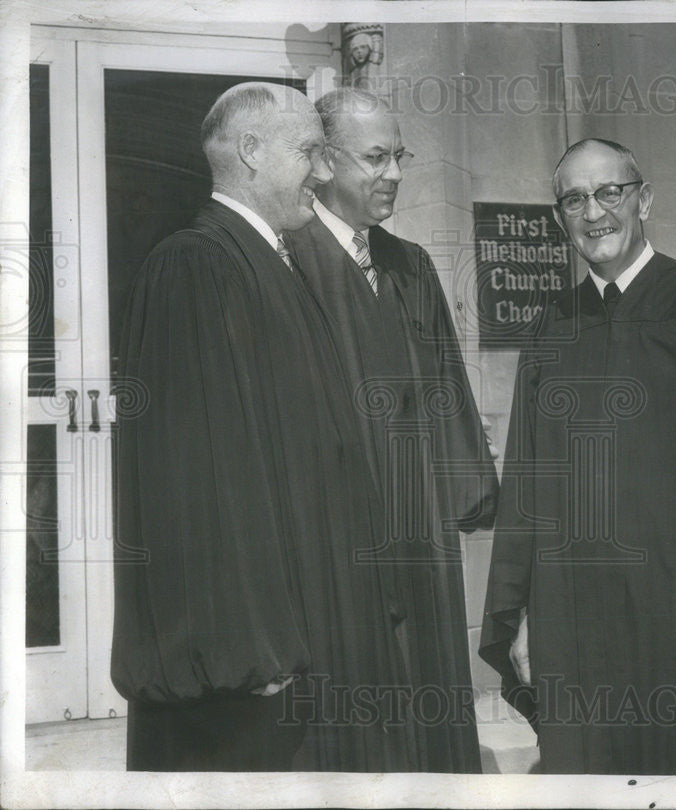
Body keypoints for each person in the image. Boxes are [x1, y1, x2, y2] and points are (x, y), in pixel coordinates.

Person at [111, 82, 411, 771]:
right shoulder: (195, 264)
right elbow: (194, 478)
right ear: (249, 151)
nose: (325, 171)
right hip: (255, 669)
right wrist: (245, 647)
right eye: (309, 150)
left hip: (313, 625)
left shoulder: (268, 262)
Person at [478, 138, 676, 774]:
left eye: (611, 192)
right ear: (559, 217)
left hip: (673, 600)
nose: (594, 211)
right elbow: (527, 476)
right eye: (574, 199)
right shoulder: (552, 321)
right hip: (569, 614)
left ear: (645, 200)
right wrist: (518, 611)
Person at [284, 87, 499, 773]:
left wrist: (466, 496)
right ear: (323, 161)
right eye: (375, 158)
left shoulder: (409, 265)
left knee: (429, 698)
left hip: (420, 529)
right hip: (337, 534)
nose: (395, 174)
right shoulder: (287, 262)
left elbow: (446, 394)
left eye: (399, 156)